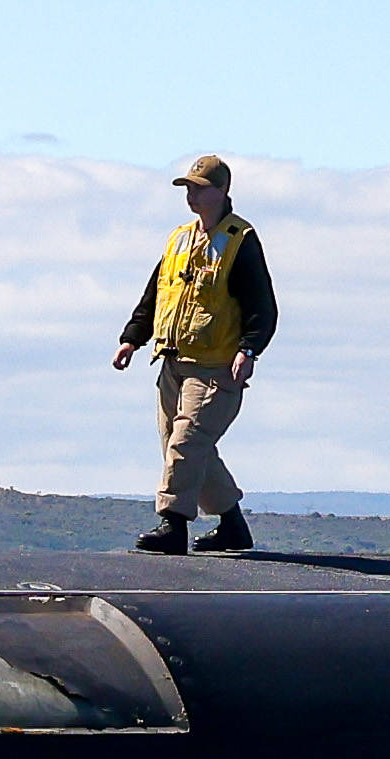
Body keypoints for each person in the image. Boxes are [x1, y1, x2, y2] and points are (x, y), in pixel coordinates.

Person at [117, 155, 279, 558]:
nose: (191, 193)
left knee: (186, 444)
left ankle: (173, 526)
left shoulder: (240, 240)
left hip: (214, 368)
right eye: (188, 187)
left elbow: (263, 304)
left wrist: (249, 349)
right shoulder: (179, 239)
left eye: (199, 186)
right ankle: (232, 527)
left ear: (222, 190)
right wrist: (132, 338)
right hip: (173, 362)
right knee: (183, 446)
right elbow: (155, 295)